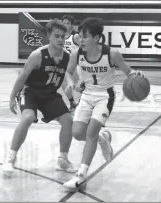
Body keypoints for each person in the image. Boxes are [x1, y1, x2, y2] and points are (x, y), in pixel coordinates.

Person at [63, 17, 144, 189]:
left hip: (104, 97)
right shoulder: (77, 54)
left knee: (90, 132)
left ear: (96, 38)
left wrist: (137, 75)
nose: (80, 39)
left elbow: (129, 72)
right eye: (79, 36)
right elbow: (68, 73)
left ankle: (81, 175)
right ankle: (103, 138)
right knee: (77, 133)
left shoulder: (112, 54)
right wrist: (71, 83)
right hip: (86, 95)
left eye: (85, 36)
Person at [3, 19, 77, 177]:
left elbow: (64, 79)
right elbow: (22, 77)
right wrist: (11, 98)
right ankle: (10, 157)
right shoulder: (38, 55)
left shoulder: (67, 57)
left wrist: (71, 98)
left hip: (49, 94)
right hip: (30, 92)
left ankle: (62, 160)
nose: (60, 39)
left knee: (68, 120)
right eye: (57, 36)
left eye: (63, 36)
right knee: (28, 118)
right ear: (49, 36)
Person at [61, 15, 81, 111]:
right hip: (64, 64)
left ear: (72, 25)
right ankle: (72, 102)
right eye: (63, 23)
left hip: (75, 65)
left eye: (67, 23)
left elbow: (84, 48)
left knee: (78, 86)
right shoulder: (60, 36)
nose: (65, 25)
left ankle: (83, 103)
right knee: (63, 84)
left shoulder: (75, 36)